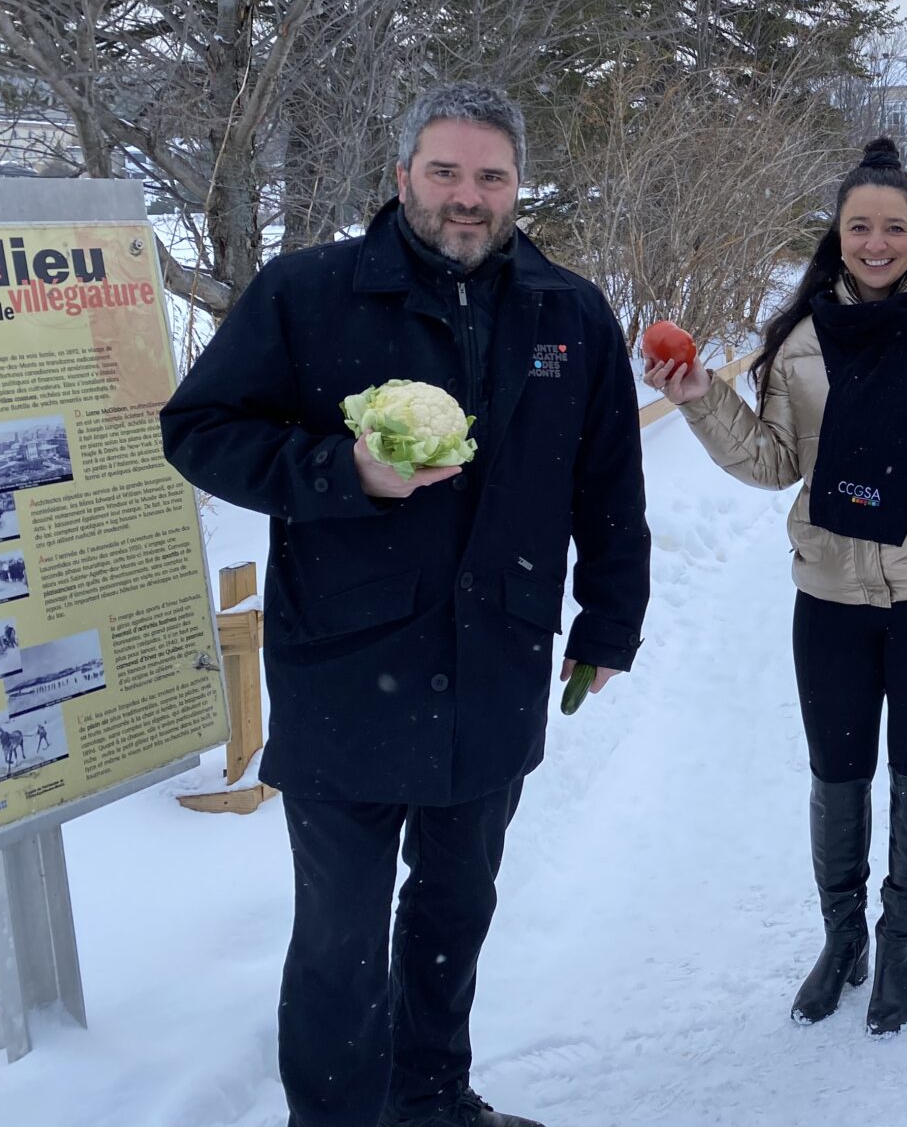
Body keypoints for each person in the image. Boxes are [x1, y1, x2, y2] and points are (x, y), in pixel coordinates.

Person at [162, 83, 650, 1127]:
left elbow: (608, 483)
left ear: (517, 186)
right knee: (338, 936)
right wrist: (343, 474)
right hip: (344, 669)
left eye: (490, 176)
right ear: (400, 179)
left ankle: (431, 1099)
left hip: (497, 663)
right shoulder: (309, 295)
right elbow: (199, 428)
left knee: (453, 908)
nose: (465, 197)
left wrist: (610, 619)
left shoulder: (568, 312)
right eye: (444, 172)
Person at [649, 136, 907, 1035]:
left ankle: (901, 940)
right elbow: (772, 462)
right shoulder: (799, 338)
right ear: (836, 235)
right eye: (859, 227)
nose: (877, 243)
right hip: (833, 595)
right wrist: (699, 400)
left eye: (895, 227)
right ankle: (842, 940)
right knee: (836, 775)